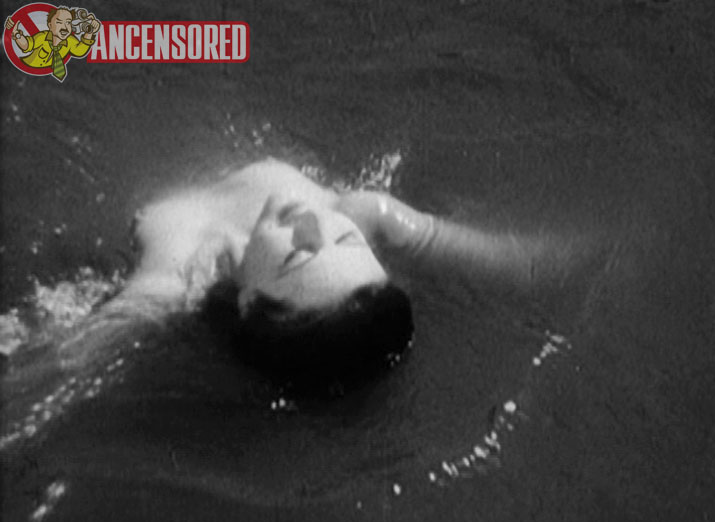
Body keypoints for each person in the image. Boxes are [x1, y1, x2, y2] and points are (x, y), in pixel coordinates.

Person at [62, 158, 550, 389]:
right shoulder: (363, 213)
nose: (313, 222)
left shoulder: (174, 281)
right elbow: (512, 261)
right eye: (347, 241)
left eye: (299, 255)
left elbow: (60, 365)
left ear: (249, 302)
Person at [6, 7, 101, 81]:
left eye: (68, 23)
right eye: (59, 22)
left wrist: (90, 32)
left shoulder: (70, 41)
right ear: (50, 26)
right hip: (25, 71)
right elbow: (27, 45)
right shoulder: (43, 37)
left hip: (47, 80)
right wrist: (16, 34)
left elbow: (80, 50)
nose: (64, 27)